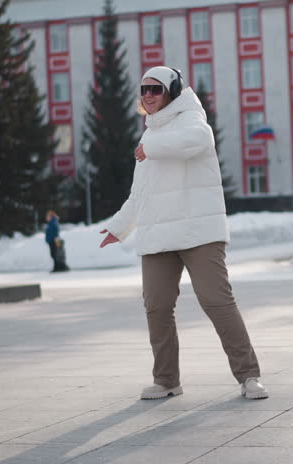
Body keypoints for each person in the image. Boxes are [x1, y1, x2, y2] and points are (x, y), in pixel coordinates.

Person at [99, 65, 268, 400]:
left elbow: (197, 140)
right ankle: (166, 380)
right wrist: (119, 227)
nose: (148, 95)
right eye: (144, 89)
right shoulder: (149, 135)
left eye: (156, 89)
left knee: (217, 301)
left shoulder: (191, 118)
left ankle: (249, 375)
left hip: (199, 231)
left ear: (172, 91)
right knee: (157, 306)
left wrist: (153, 147)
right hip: (158, 234)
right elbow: (141, 194)